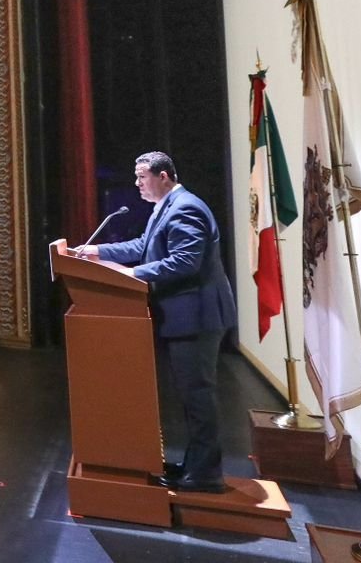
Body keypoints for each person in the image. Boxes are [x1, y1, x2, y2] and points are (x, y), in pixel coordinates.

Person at [69, 150, 237, 494]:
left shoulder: (186, 207)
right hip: (186, 316)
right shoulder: (167, 206)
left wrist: (133, 274)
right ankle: (195, 465)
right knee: (191, 396)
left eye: (142, 177)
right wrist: (96, 252)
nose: (137, 184)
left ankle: (206, 475)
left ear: (164, 177)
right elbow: (146, 245)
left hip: (197, 316)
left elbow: (184, 262)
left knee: (198, 396)